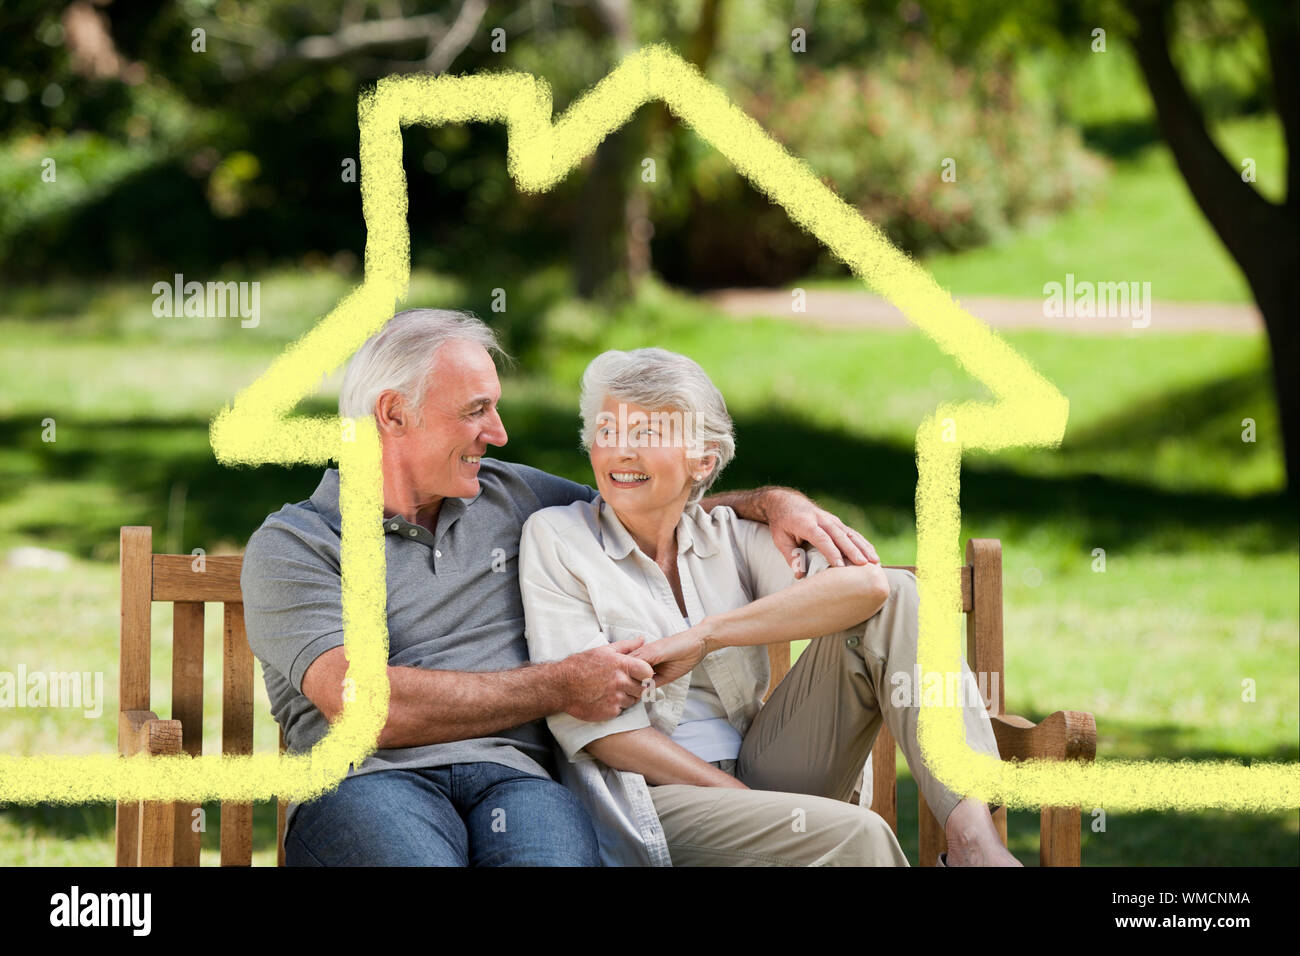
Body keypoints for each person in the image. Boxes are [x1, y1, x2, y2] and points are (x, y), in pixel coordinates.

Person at [239, 309, 877, 866]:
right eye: (475, 411)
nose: (498, 433)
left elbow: (647, 497)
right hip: (369, 784)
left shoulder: (510, 496)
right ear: (393, 413)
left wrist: (772, 501)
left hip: (518, 783)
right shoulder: (299, 543)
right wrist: (561, 684)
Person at [520, 347, 1020, 866]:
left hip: (763, 767)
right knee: (858, 834)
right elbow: (600, 733)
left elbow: (870, 589)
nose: (621, 452)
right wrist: (754, 807)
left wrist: (709, 634)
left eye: (647, 434)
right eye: (607, 432)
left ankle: (973, 845)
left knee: (901, 598)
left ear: (703, 460)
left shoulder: (728, 537)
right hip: (647, 799)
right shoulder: (558, 539)